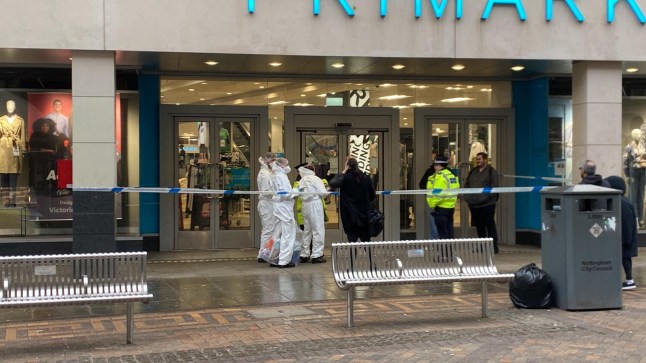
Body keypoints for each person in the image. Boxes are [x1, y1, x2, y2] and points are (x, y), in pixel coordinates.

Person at [329, 156, 376, 242]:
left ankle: (352, 256)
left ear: (347, 166)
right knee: (366, 243)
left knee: (352, 243)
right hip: (364, 215)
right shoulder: (365, 177)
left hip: (349, 216)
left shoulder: (345, 178)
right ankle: (370, 256)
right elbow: (372, 195)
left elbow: (332, 183)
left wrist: (343, 172)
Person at [604, 176, 638, 290]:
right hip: (622, 237)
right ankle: (628, 280)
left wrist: (625, 239)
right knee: (624, 257)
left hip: (623, 238)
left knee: (625, 257)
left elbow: (627, 222)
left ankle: (629, 280)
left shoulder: (622, 202)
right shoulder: (621, 201)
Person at [463, 152, 500, 253]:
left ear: (485, 160)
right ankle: (482, 246)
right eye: (477, 159)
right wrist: (468, 197)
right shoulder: (473, 172)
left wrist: (484, 197)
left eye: (479, 159)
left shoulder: (491, 171)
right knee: (479, 226)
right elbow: (466, 185)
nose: (478, 161)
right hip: (474, 204)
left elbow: (494, 187)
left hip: (487, 204)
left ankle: (493, 247)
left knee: (489, 224)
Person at [295, 164, 329, 264]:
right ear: (313, 170)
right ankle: (317, 255)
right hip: (315, 204)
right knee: (318, 229)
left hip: (305, 206)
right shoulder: (316, 179)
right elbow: (323, 193)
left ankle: (304, 254)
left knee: (307, 230)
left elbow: (299, 193)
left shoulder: (302, 180)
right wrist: (327, 191)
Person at [269, 157, 297, 268]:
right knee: (288, 232)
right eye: (286, 164)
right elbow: (286, 194)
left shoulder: (275, 175)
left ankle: (273, 258)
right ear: (281, 165)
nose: (288, 166)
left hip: (277, 206)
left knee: (278, 232)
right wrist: (296, 191)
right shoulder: (281, 176)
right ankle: (284, 260)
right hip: (284, 206)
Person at [425, 155, 460, 239]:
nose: (434, 167)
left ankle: (445, 252)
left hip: (441, 207)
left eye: (436, 165)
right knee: (449, 231)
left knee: (442, 233)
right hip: (450, 206)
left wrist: (432, 204)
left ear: (441, 165)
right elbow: (457, 188)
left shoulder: (440, 175)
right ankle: (449, 251)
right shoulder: (452, 175)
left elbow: (438, 193)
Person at [0, 100, 26, 207]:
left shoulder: (20, 120)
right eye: (8, 105)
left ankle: (13, 200)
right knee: (3, 175)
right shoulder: (1, 120)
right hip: (2, 149)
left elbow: (22, 135)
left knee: (13, 175)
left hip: (15, 146)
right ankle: (6, 200)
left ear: (15, 107)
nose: (10, 107)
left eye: (12, 105)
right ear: (5, 106)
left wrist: (23, 149)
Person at [256, 152, 276, 263]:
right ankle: (262, 254)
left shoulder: (268, 172)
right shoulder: (264, 174)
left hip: (270, 203)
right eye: (273, 161)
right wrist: (280, 193)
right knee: (268, 229)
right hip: (266, 204)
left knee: (271, 229)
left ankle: (267, 252)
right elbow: (266, 191)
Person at [624, 128, 646, 228]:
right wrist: (627, 175)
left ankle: (641, 219)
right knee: (633, 195)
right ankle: (635, 218)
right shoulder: (629, 147)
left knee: (641, 195)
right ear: (633, 136)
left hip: (643, 171)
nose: (639, 136)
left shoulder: (644, 147)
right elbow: (625, 162)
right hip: (633, 172)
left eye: (639, 134)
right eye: (636, 134)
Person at [419, 162, 440, 239]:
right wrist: (428, 194)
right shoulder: (430, 172)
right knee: (433, 223)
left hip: (444, 203)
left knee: (436, 223)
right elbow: (422, 184)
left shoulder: (447, 173)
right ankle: (435, 242)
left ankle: (440, 242)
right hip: (433, 202)